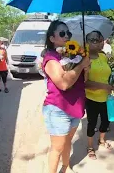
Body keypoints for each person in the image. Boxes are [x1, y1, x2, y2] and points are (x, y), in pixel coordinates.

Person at [42, 20, 90, 173]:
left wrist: (86, 67)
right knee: (57, 147)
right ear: (52, 38)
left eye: (68, 33)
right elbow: (63, 84)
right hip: (58, 109)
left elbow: (84, 81)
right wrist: (81, 65)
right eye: (62, 33)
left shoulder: (74, 55)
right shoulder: (51, 58)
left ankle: (65, 167)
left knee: (67, 141)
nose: (66, 36)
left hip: (75, 107)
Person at [84, 31, 114, 160]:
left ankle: (101, 140)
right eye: (95, 40)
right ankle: (90, 146)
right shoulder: (85, 60)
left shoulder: (103, 56)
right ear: (87, 43)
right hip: (92, 98)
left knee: (106, 121)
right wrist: (103, 86)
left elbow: (107, 75)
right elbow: (84, 84)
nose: (100, 42)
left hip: (106, 98)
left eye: (101, 40)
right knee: (92, 123)